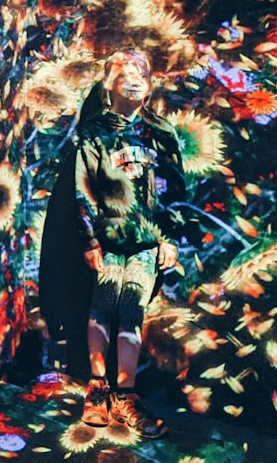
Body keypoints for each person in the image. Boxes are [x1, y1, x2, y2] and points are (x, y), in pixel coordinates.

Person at [72, 49, 187, 436]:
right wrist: (89, 239)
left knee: (133, 311)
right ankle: (97, 389)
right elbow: (83, 187)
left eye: (141, 72)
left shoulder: (162, 133)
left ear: (151, 84)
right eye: (124, 72)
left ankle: (126, 395)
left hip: (145, 242)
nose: (134, 78)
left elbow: (176, 190)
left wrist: (169, 237)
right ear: (109, 83)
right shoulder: (93, 132)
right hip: (106, 239)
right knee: (101, 308)